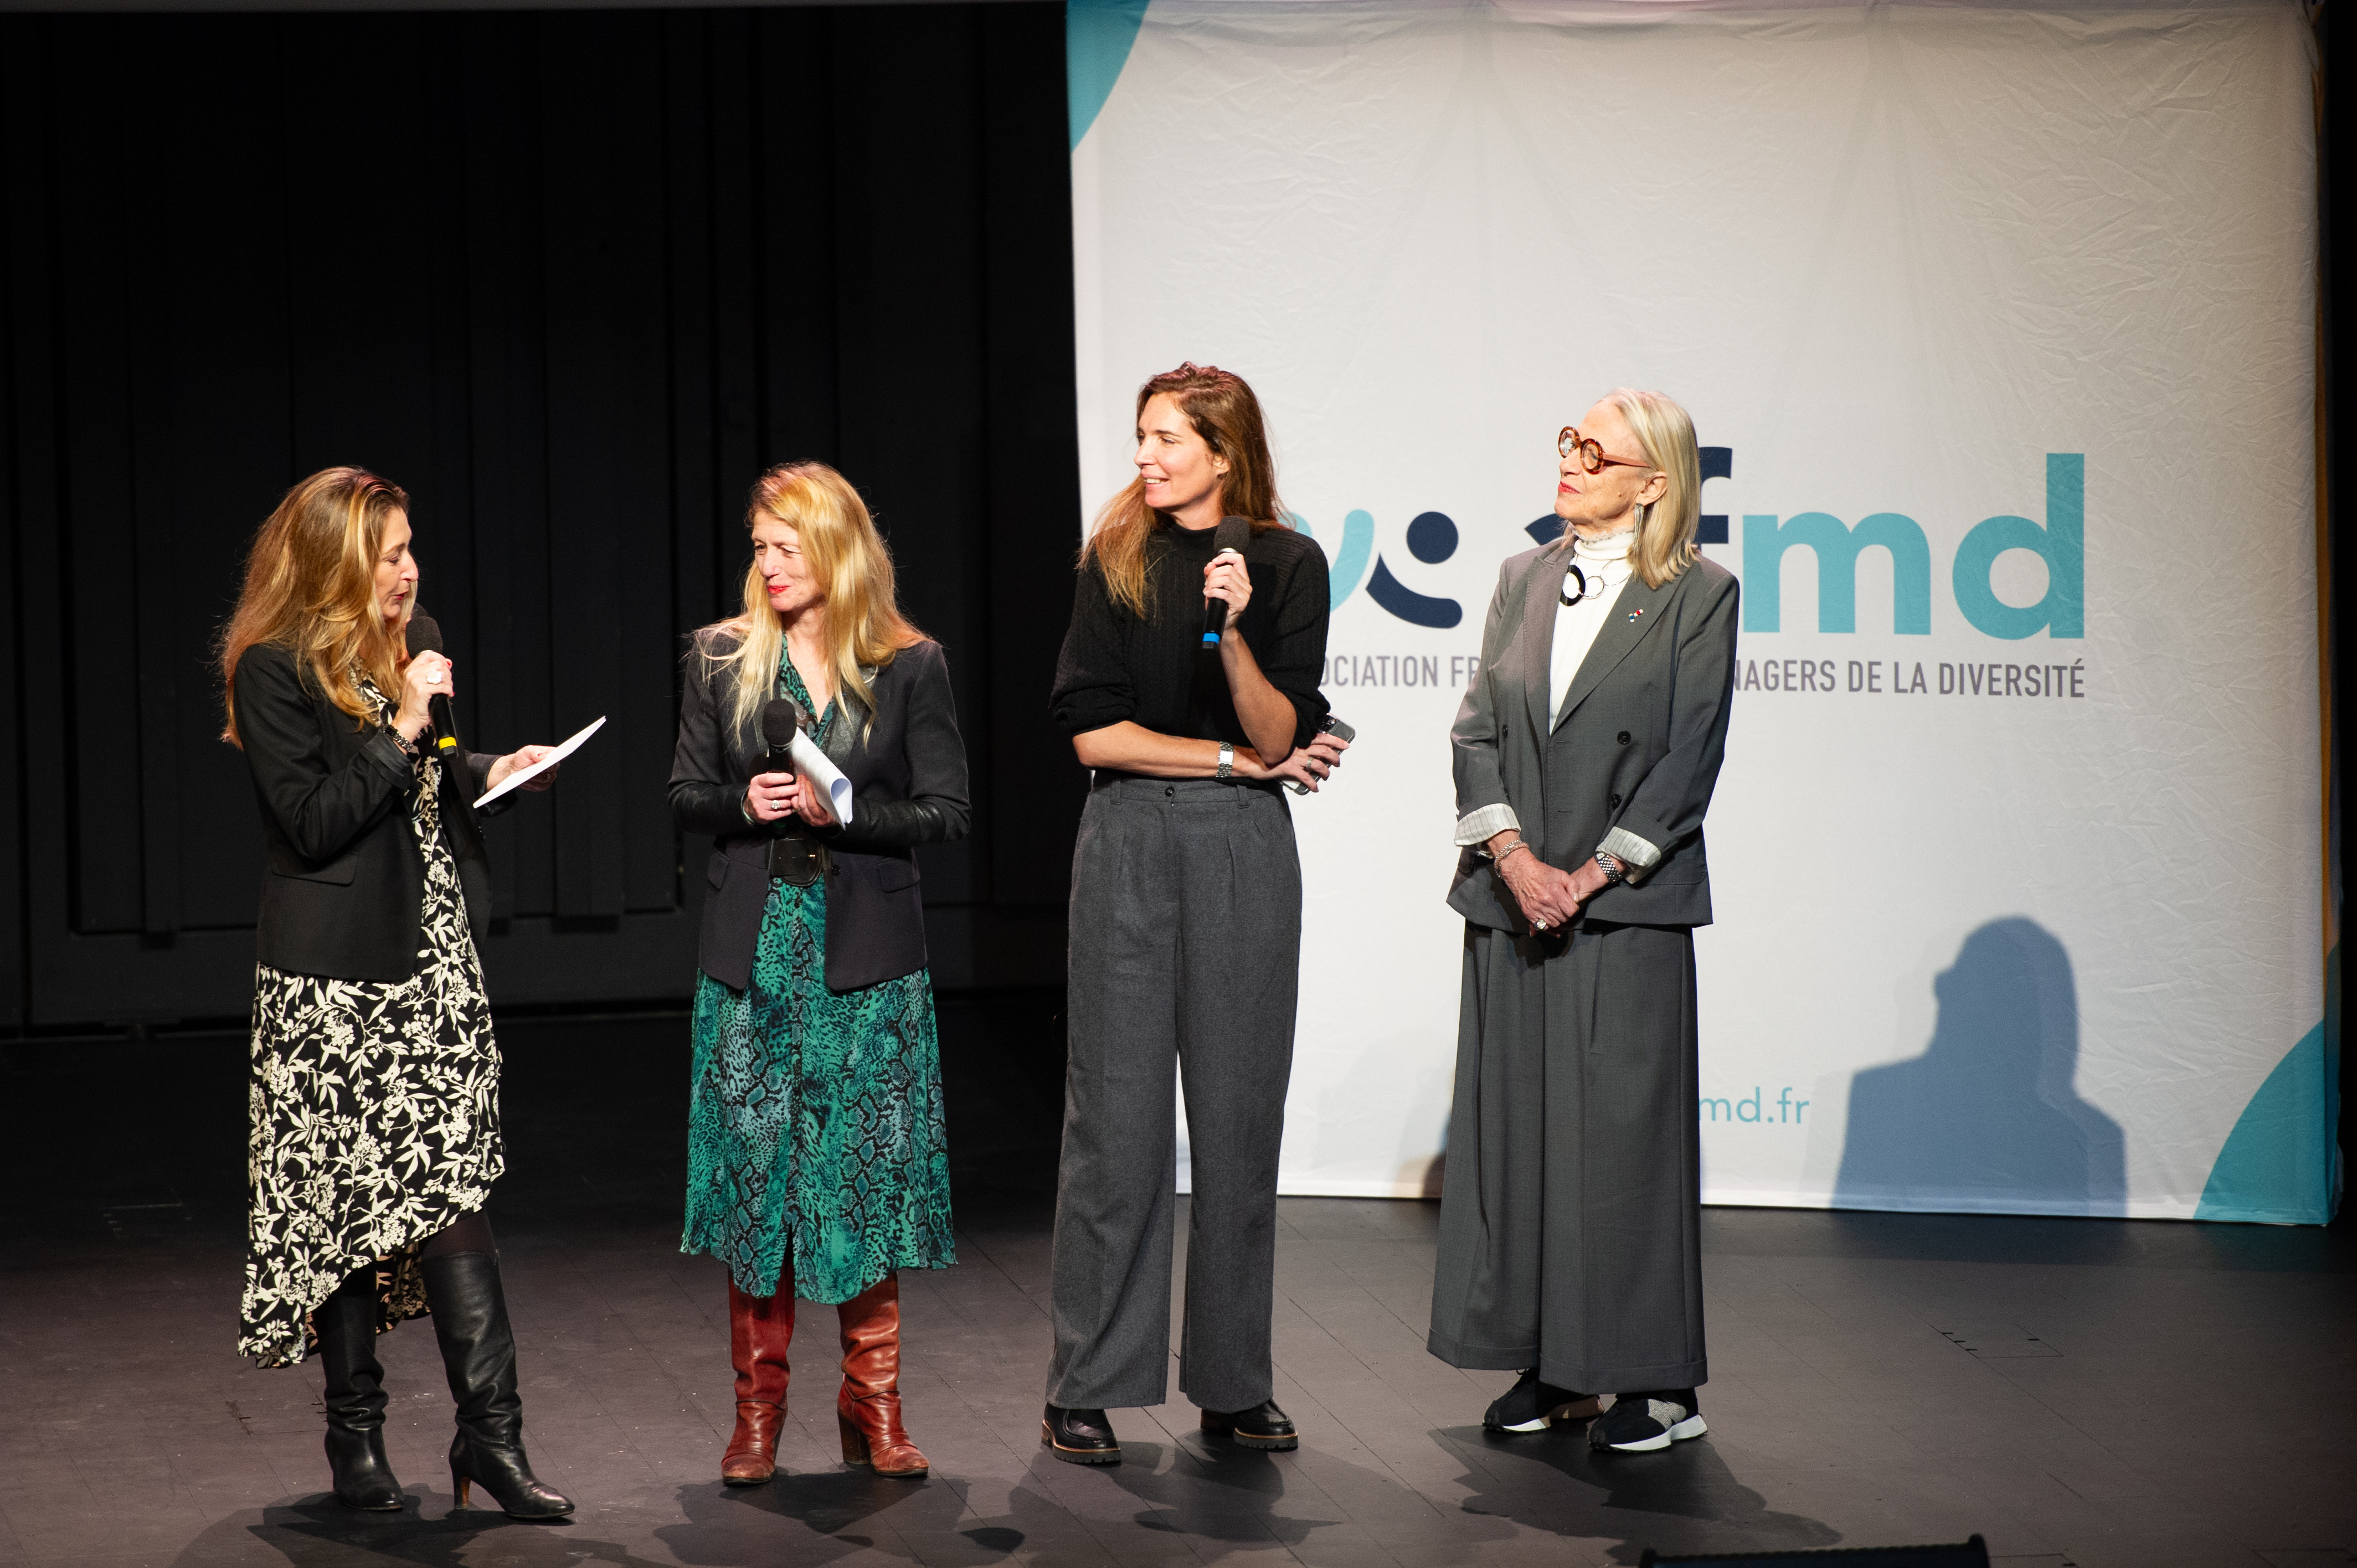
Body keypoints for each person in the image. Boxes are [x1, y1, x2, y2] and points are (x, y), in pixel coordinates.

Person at [220, 466, 572, 1518]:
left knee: (454, 1191)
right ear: (335, 564)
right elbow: (316, 822)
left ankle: (492, 1440)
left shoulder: (404, 650)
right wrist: (405, 721)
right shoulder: (270, 668)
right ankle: (355, 1439)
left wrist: (501, 768)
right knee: (348, 1213)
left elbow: (436, 776)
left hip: (431, 966)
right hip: (334, 988)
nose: (411, 571)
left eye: (412, 549)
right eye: (390, 555)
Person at [1042, 362, 1350, 1464]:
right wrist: (1228, 760)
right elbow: (1095, 736)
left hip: (1240, 858)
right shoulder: (1114, 561)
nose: (1144, 456)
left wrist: (1235, 634)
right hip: (1128, 834)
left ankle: (1233, 1386)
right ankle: (1087, 1380)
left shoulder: (1286, 562)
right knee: (1114, 1127)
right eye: (1140, 435)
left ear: (1223, 453)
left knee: (1235, 1125)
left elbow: (1284, 733)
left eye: (1166, 438)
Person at [1427, 388, 1739, 1453]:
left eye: (1597, 450)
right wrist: (1517, 862)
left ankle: (1655, 1382)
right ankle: (1555, 1366)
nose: (1572, 458)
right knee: (1522, 1139)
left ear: (1653, 483)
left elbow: (1688, 755)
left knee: (1625, 1147)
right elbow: (1475, 733)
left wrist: (1590, 875)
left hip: (1626, 910)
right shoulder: (1521, 578)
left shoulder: (1700, 594)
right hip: (1517, 901)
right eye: (1570, 440)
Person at [670, 462, 969, 1486]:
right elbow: (683, 790)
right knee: (760, 1189)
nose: (769, 564)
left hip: (866, 969)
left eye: (787, 547)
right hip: (756, 959)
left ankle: (874, 1405)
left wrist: (854, 819)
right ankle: (759, 1418)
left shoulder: (908, 664)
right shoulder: (721, 656)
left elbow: (948, 811)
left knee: (864, 1184)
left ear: (837, 550)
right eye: (760, 547)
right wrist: (738, 805)